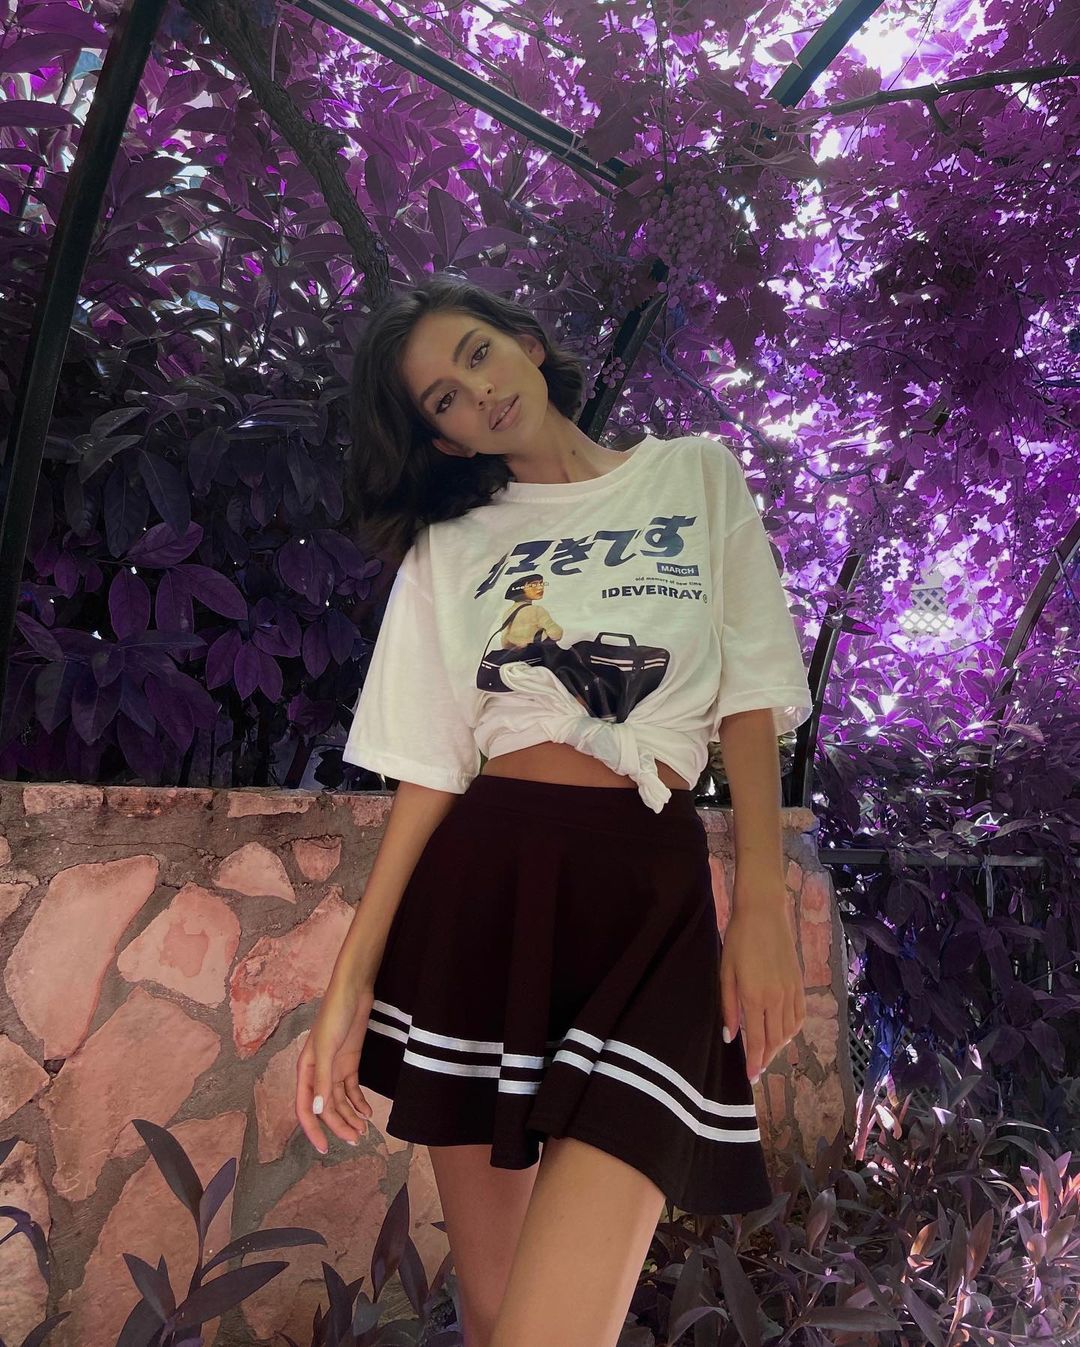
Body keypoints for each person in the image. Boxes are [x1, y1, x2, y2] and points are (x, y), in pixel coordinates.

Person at [295, 274, 813, 1347]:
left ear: (526, 344)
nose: (475, 391)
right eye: (442, 398)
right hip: (485, 896)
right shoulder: (454, 543)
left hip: (651, 903)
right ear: (441, 439)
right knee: (500, 1321)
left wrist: (762, 903)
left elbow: (752, 698)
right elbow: (430, 769)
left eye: (477, 354)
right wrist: (350, 980)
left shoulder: (694, 473)